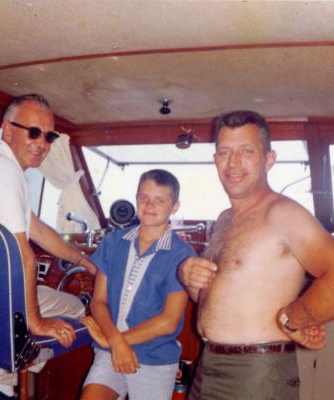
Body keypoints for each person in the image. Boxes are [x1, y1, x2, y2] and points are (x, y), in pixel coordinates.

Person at [0, 93, 97, 400]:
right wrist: (36, 323)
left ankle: (0, 374)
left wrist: (87, 262)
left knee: (63, 308)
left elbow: (39, 230)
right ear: (8, 130)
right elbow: (24, 256)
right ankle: (1, 373)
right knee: (78, 309)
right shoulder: (4, 171)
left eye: (49, 135)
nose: (42, 143)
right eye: (33, 132)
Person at [178, 110, 334, 400]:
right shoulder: (224, 219)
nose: (233, 162)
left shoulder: (283, 213)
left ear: (269, 159)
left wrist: (294, 318)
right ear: (215, 160)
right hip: (207, 366)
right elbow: (218, 299)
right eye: (224, 152)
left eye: (245, 151)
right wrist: (188, 279)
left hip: (257, 374)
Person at [79, 169, 196, 400]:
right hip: (109, 350)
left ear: (174, 206)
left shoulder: (182, 255)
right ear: (136, 199)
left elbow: (169, 321)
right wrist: (114, 342)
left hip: (154, 358)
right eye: (144, 198)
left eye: (159, 200)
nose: (149, 205)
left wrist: (114, 341)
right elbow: (99, 301)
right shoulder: (114, 242)